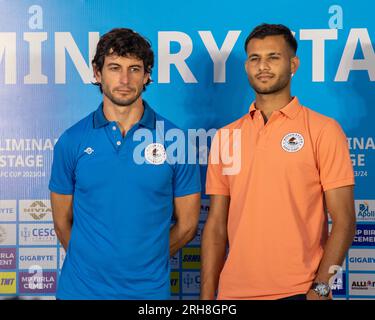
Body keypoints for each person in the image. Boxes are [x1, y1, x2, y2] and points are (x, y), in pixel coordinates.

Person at [201, 23, 355, 300]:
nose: (263, 66)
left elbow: (344, 221)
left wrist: (320, 288)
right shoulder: (226, 137)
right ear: (247, 66)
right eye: (255, 58)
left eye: (274, 57)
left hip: (298, 291)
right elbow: (215, 225)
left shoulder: (323, 130)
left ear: (293, 64)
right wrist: (207, 297)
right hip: (233, 293)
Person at [49, 28, 201, 299]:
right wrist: (92, 263)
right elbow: (62, 223)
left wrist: (145, 259)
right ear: (97, 73)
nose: (124, 79)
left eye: (134, 69)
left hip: (149, 294)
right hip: (80, 292)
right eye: (114, 67)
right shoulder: (71, 141)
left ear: (146, 75)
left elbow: (188, 225)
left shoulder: (176, 141)